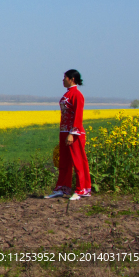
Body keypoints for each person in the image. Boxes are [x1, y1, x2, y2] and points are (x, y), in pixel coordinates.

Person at [44, 69, 92, 201]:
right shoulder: (68, 94)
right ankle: (61, 188)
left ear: (72, 79)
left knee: (78, 161)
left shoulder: (77, 94)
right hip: (64, 132)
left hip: (73, 133)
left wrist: (72, 133)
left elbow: (78, 115)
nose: (63, 80)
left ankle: (81, 189)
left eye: (65, 77)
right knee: (64, 161)